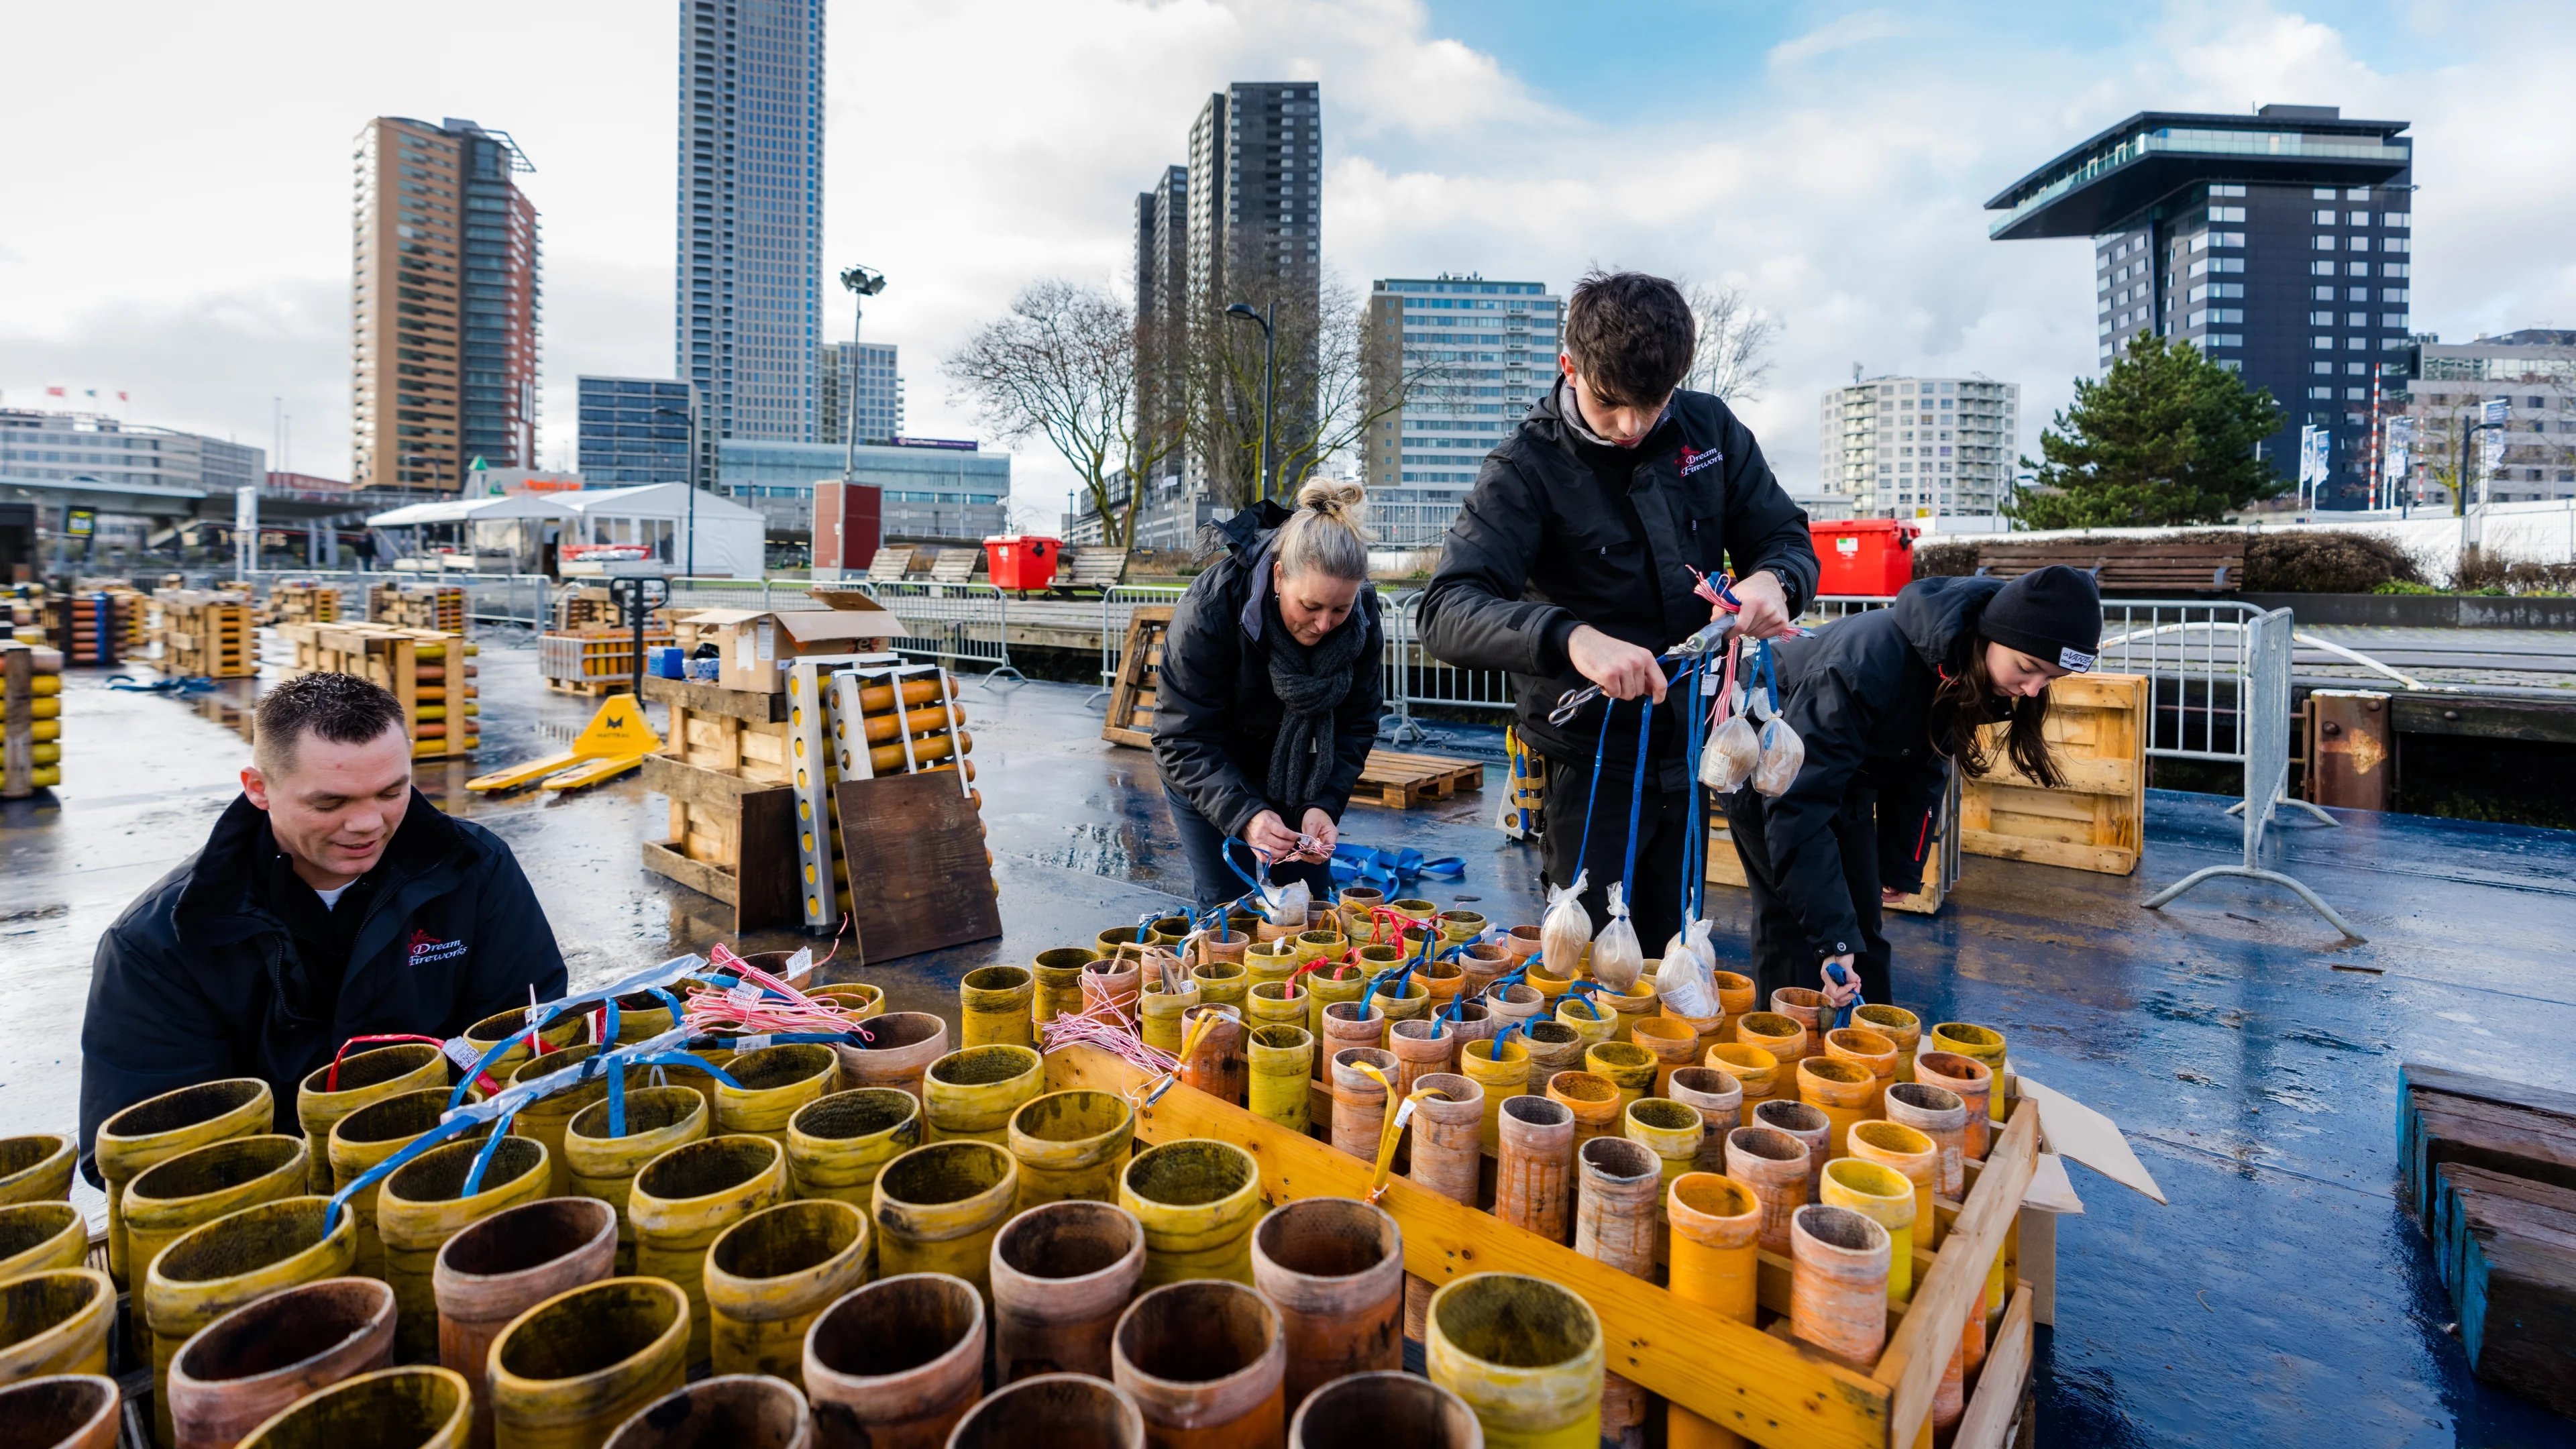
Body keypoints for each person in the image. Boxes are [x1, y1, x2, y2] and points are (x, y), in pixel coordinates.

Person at [1419, 270, 1819, 951]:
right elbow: (1446, 611)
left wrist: (1775, 580)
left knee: (1674, 945)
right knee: (1592, 951)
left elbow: (1786, 538)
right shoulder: (1524, 468)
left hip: (1690, 743)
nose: (1632, 426)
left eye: (1653, 403)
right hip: (1586, 756)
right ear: (1569, 366)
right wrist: (1569, 638)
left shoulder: (1710, 429)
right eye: (1611, 404)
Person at [78, 672, 567, 1176]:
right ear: (258, 788)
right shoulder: (161, 940)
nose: (367, 824)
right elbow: (140, 1152)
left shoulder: (474, 870)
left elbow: (523, 1037)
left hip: (457, 1165)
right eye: (330, 803)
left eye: (390, 792)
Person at [1725, 566, 2104, 1008]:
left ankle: (1871, 1054)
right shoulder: (1864, 665)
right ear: (1993, 634)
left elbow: (1925, 763)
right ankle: (1790, 1054)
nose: (2033, 690)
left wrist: (1901, 862)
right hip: (1766, 763)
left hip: (1845, 774)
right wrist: (1833, 944)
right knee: (1798, 928)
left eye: (2051, 680)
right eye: (2028, 668)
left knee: (1863, 929)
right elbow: (1798, 807)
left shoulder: (1963, 662)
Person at [1153, 480, 1385, 912]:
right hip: (1211, 773)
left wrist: (1325, 804)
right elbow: (1179, 737)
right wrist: (1246, 816)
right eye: (1311, 606)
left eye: (1340, 609)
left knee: (1310, 907)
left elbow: (1358, 722)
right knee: (1233, 913)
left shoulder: (1364, 615)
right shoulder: (1211, 607)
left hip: (1299, 775)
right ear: (1279, 576)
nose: (1324, 625)